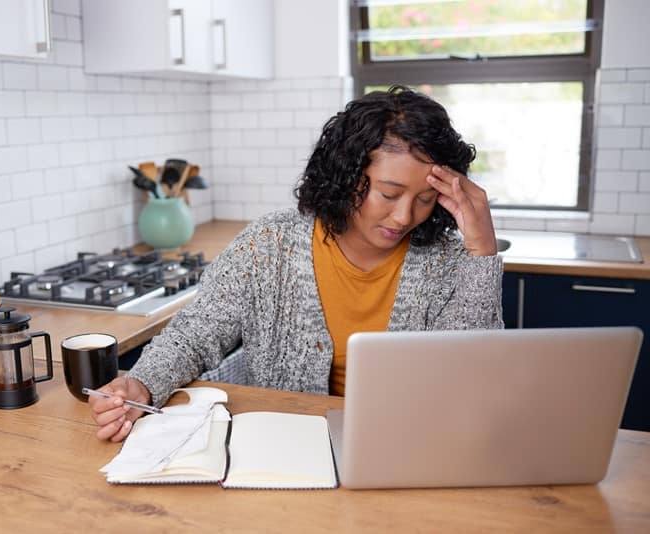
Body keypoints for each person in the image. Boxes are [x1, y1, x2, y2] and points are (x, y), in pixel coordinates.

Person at [90, 85, 503, 442]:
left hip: (408, 444)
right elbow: (197, 330)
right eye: (389, 194)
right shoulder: (271, 244)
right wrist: (143, 383)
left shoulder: (453, 261)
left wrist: (483, 250)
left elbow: (471, 375)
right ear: (346, 175)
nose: (404, 216)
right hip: (283, 446)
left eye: (426, 200)